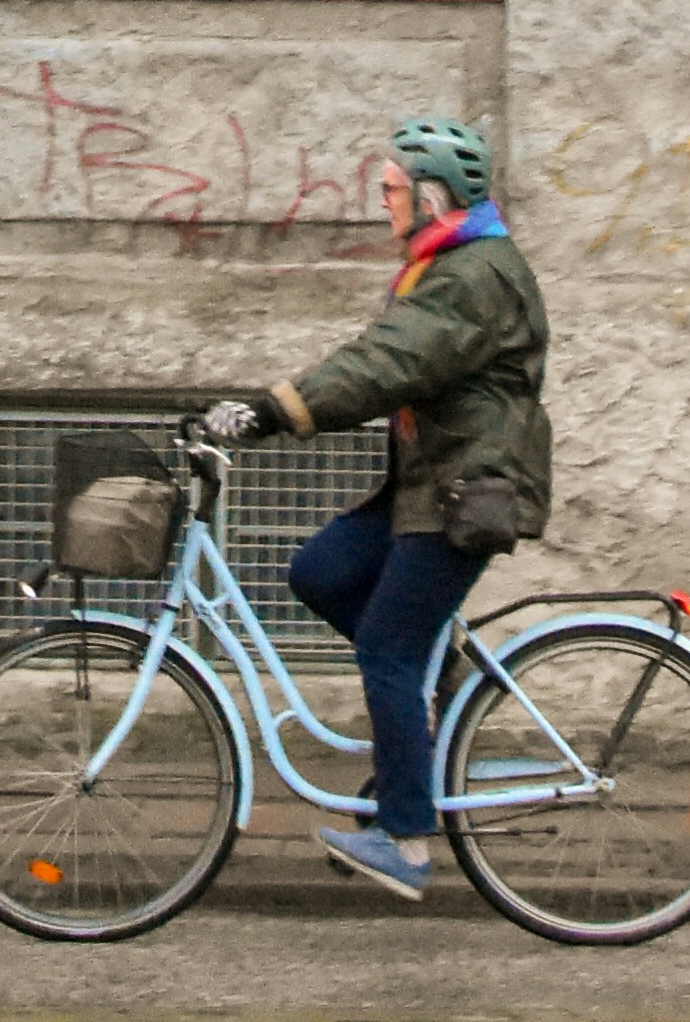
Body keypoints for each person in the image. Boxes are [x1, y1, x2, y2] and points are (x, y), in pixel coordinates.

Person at [195, 112, 551, 903]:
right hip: (426, 484)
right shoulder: (445, 266)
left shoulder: (473, 276)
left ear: (431, 197)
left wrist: (274, 410)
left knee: (388, 648)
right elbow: (385, 361)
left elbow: (386, 364)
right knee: (321, 572)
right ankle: (430, 699)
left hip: (467, 491)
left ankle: (404, 840)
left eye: (391, 188)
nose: (382, 200)